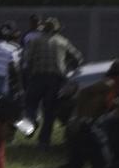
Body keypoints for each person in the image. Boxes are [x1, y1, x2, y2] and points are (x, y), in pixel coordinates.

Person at [25, 61, 119, 168]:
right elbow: (84, 93)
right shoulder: (108, 83)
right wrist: (78, 118)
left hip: (83, 127)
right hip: (83, 126)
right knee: (102, 160)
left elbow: (101, 102)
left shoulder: (111, 88)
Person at [24, 18, 82, 147]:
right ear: (57, 29)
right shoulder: (63, 41)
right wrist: (67, 66)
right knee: (49, 111)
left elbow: (27, 60)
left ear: (43, 28)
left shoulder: (35, 40)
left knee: (30, 104)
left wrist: (29, 74)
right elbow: (78, 57)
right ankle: (43, 142)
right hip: (55, 79)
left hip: (37, 77)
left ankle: (31, 123)